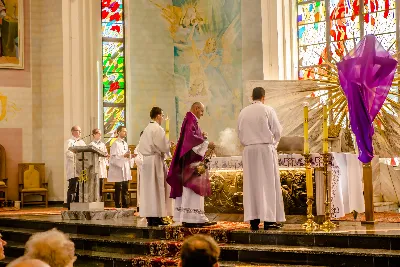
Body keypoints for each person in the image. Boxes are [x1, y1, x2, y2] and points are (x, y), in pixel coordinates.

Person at [237, 86, 285, 230]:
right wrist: (273, 144)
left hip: (249, 151)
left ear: (252, 97)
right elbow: (277, 131)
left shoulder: (243, 112)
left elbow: (239, 133)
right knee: (268, 183)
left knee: (252, 185)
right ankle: (269, 220)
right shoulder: (267, 110)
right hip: (264, 149)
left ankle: (253, 220)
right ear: (263, 97)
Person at [167, 102, 216, 227]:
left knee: (190, 190)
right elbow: (190, 141)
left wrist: (202, 137)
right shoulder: (190, 119)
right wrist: (207, 143)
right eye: (202, 111)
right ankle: (194, 218)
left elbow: (192, 138)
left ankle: (190, 217)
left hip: (189, 162)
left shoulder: (190, 119)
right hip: (191, 163)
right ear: (196, 108)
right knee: (193, 189)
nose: (202, 114)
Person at [138, 107, 173, 226]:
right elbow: (163, 146)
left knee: (149, 190)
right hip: (155, 161)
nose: (163, 118)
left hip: (147, 162)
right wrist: (169, 145)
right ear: (158, 116)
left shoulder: (147, 128)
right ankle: (158, 216)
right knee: (157, 189)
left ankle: (150, 217)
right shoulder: (157, 129)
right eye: (162, 116)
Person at [108, 126, 133, 208]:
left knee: (125, 186)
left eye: (126, 131)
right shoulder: (115, 144)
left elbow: (125, 155)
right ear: (118, 132)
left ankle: (125, 204)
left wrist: (130, 156)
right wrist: (123, 155)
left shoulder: (125, 143)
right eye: (123, 131)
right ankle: (118, 205)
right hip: (118, 169)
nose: (125, 133)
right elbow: (113, 157)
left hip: (125, 167)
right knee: (119, 187)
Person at [65, 125, 86, 209]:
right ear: (73, 131)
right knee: (73, 187)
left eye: (80, 131)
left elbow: (87, 152)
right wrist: (77, 155)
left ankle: (78, 206)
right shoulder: (69, 142)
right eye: (78, 131)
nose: (80, 133)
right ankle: (70, 206)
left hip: (81, 168)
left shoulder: (82, 142)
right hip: (73, 168)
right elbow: (68, 153)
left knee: (80, 188)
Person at [89, 128, 108, 200]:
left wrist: (106, 155)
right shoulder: (91, 144)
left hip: (101, 166)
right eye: (98, 133)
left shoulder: (103, 144)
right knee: (94, 184)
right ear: (94, 134)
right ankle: (94, 199)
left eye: (100, 133)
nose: (100, 135)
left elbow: (105, 153)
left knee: (100, 184)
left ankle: (100, 199)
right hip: (95, 166)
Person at [133, 131, 144, 212]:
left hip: (149, 169)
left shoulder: (149, 146)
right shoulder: (138, 147)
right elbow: (136, 159)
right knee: (141, 187)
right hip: (142, 169)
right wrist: (144, 165)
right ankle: (140, 205)